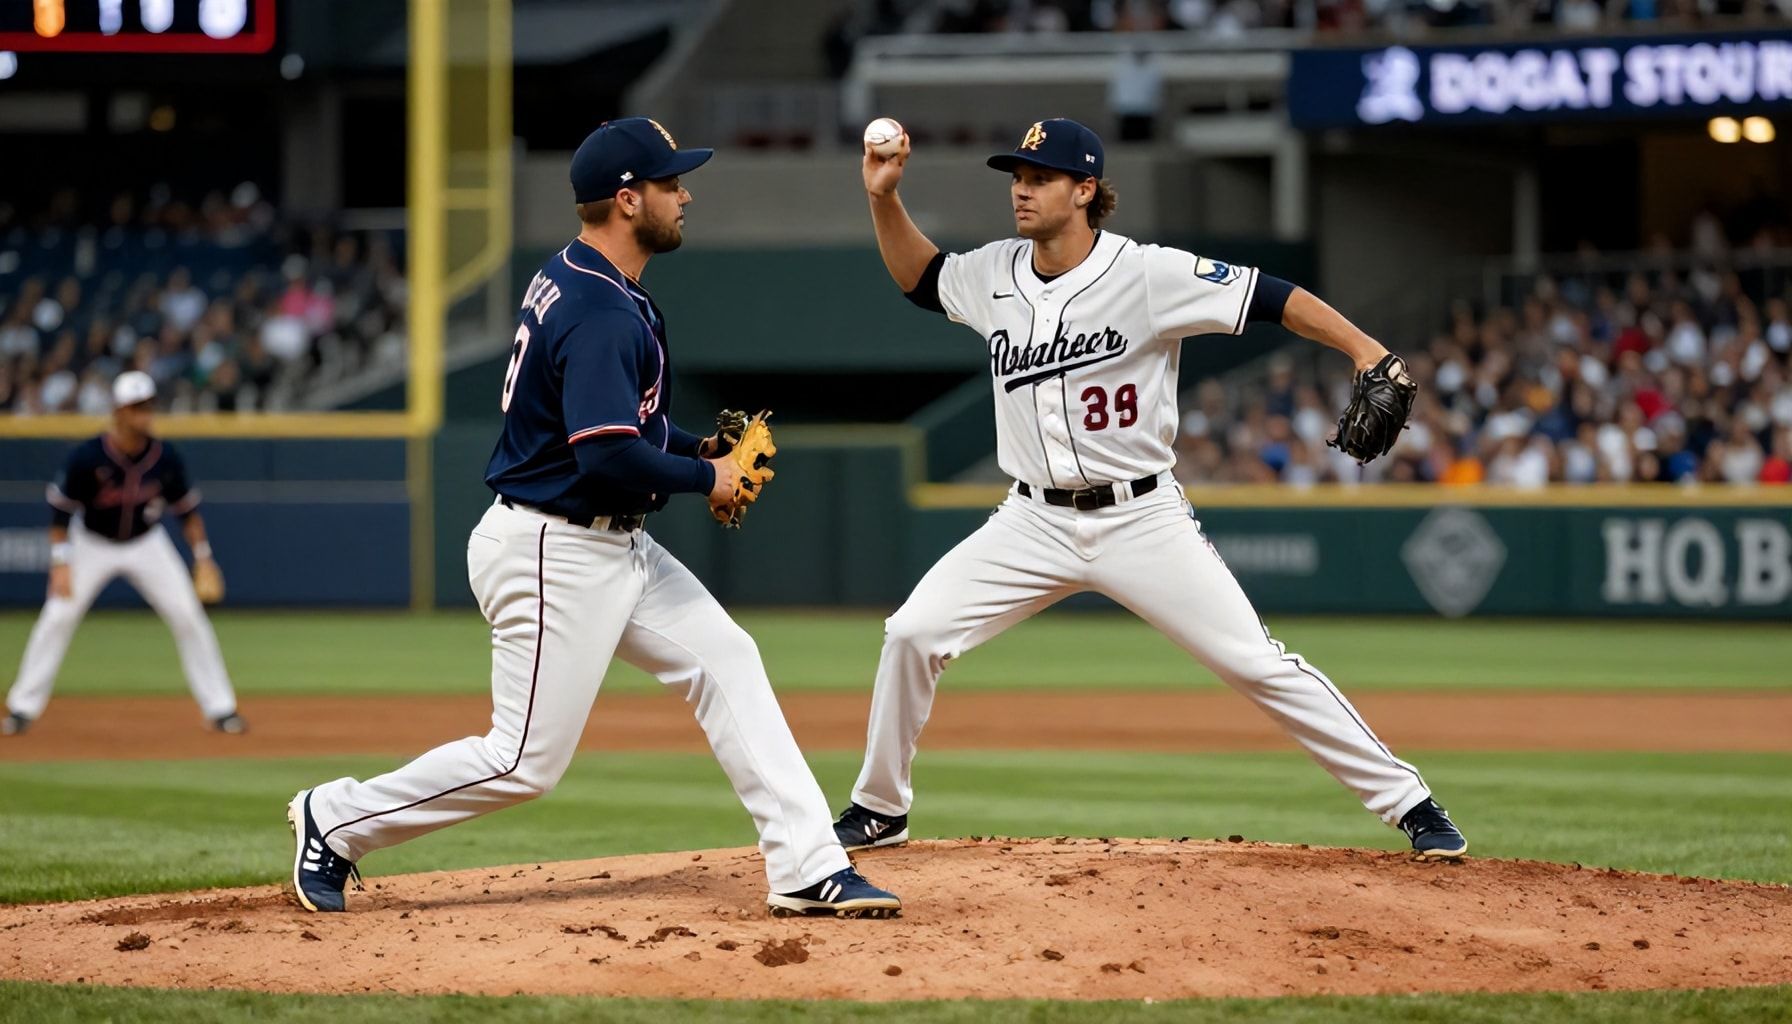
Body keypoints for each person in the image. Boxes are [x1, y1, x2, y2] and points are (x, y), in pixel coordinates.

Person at [286, 118, 900, 918]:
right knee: (522, 762)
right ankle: (335, 819)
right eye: (670, 183)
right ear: (627, 199)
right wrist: (707, 476)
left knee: (727, 659)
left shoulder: (583, 277)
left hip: (609, 542)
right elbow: (605, 455)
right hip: (555, 547)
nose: (685, 196)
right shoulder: (601, 309)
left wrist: (697, 446)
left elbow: (625, 423)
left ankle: (806, 865)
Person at [833, 118, 1468, 860]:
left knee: (1255, 662)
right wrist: (883, 198)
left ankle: (1410, 803)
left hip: (1141, 517)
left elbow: (1271, 296)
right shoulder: (993, 272)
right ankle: (880, 808)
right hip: (1029, 521)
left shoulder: (1146, 273)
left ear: (1085, 190)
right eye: (1017, 177)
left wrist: (1366, 350)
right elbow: (921, 279)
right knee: (912, 633)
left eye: (1040, 178)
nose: (1021, 191)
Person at [3, 371, 243, 736]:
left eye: (148, 406)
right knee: (57, 617)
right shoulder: (88, 457)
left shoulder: (165, 457)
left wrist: (203, 556)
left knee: (188, 616)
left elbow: (187, 513)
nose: (144, 414)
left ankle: (221, 709)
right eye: (136, 407)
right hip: (92, 543)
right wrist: (61, 562)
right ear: (118, 411)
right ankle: (22, 708)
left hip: (146, 543)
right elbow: (60, 514)